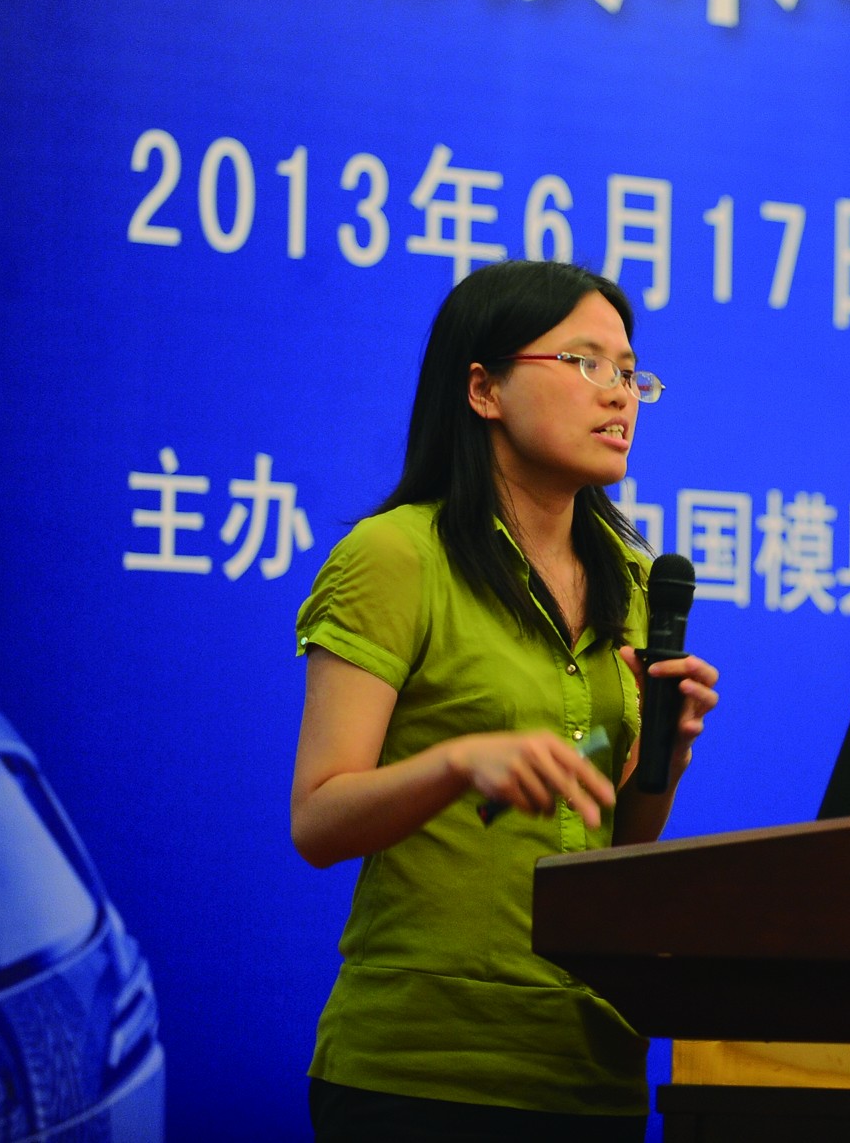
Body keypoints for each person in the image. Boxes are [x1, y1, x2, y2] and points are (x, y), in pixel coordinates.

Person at [289, 262, 718, 1141]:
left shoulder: (631, 580)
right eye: (586, 363)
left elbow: (611, 841)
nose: (620, 395)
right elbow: (319, 820)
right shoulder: (397, 556)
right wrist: (457, 762)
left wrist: (663, 761)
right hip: (424, 1071)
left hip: (588, 1064)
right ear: (484, 388)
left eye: (630, 372)